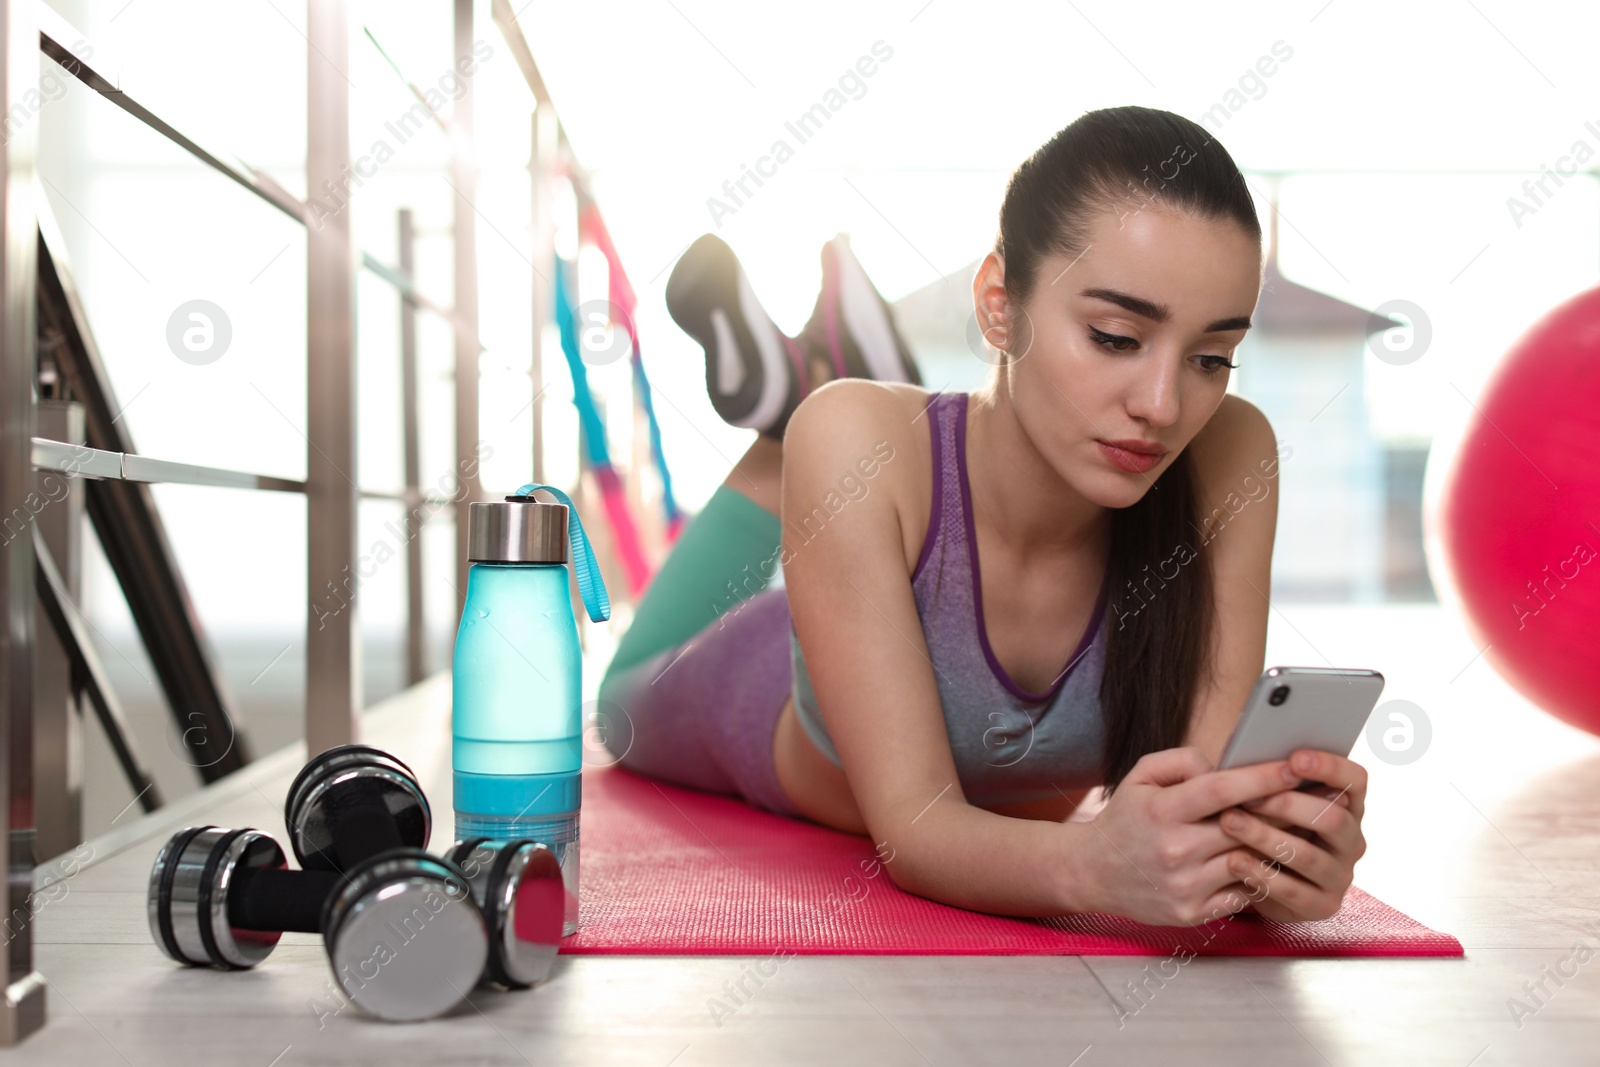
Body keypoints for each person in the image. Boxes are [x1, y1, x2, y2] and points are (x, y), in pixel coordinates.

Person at [598, 105, 1366, 928]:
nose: (1163, 404)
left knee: (850, 449)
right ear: (999, 305)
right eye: (1114, 337)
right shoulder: (851, 443)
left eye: (1212, 358)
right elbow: (918, 834)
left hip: (873, 542)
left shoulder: (1229, 451)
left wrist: (1276, 859)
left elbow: (1203, 798)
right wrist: (1093, 867)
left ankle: (802, 384)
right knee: (620, 709)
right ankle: (790, 423)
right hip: (768, 670)